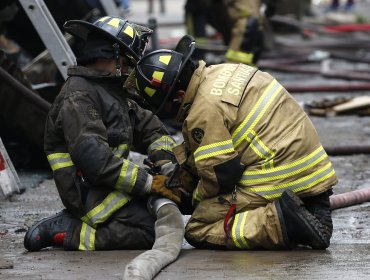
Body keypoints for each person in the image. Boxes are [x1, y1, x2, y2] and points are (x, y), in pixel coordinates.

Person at [133, 35, 338, 250]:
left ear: (180, 95)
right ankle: (309, 202)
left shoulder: (203, 112)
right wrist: (184, 168)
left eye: (167, 107)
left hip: (281, 173)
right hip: (310, 167)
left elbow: (222, 176)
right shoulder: (221, 72)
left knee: (199, 225)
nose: (171, 114)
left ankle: (284, 222)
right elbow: (219, 142)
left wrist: (191, 197)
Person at [24, 16, 181, 252]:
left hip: (106, 185)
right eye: (128, 62)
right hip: (88, 193)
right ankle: (69, 231)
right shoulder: (79, 98)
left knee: (177, 203)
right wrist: (149, 183)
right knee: (150, 231)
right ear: (110, 56)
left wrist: (166, 164)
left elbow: (152, 129)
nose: (130, 69)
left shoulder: (110, 91)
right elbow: (96, 162)